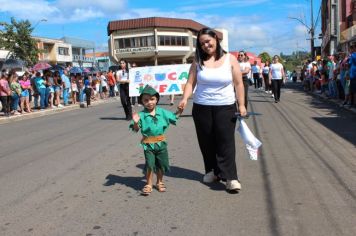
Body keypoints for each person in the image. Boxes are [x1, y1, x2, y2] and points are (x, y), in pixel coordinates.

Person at [178, 27, 247, 193]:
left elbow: (238, 84)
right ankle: (212, 171)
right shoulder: (198, 61)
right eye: (202, 44)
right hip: (202, 107)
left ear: (216, 39)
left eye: (208, 41)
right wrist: (185, 98)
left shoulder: (230, 59)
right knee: (206, 142)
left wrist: (242, 104)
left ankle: (231, 178)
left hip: (225, 106)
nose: (205, 46)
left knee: (225, 142)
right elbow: (190, 83)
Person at [130, 85, 182, 196]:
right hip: (148, 145)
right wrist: (135, 122)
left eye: (152, 99)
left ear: (157, 99)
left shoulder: (162, 112)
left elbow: (174, 117)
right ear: (142, 102)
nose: (149, 102)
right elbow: (136, 129)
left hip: (161, 143)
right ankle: (149, 184)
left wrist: (179, 111)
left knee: (161, 164)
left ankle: (159, 182)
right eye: (146, 100)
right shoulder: (141, 115)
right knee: (150, 164)